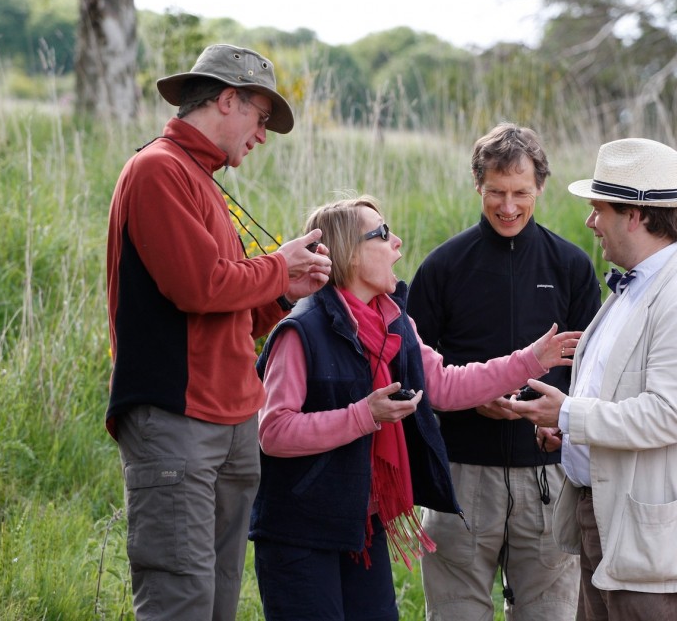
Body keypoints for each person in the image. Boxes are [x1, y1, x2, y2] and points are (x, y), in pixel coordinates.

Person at [248, 195, 583, 621]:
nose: (398, 243)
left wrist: (530, 360)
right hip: (300, 530)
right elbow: (273, 432)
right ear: (349, 252)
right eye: (382, 234)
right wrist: (364, 416)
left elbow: (444, 384)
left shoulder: (395, 324)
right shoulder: (300, 330)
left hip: (359, 522)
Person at [104, 43, 332, 620]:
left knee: (216, 601)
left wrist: (283, 293)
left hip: (227, 423)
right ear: (228, 100)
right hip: (178, 421)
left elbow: (223, 307)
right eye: (260, 118)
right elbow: (199, 287)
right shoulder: (159, 169)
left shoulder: (200, 179)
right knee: (181, 600)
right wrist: (279, 265)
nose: (262, 135)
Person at [509, 137, 677, 620]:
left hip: (652, 545)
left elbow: (670, 416)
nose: (590, 222)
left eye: (597, 209)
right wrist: (567, 432)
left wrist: (567, 411)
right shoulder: (633, 286)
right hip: (607, 520)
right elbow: (615, 394)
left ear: (635, 215)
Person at [406, 122, 601, 620]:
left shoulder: (572, 267)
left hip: (549, 479)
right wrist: (472, 397)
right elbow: (417, 374)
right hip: (461, 477)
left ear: (540, 186)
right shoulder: (442, 267)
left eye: (520, 192)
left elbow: (592, 375)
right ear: (478, 185)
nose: (508, 206)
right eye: (496, 192)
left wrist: (553, 417)